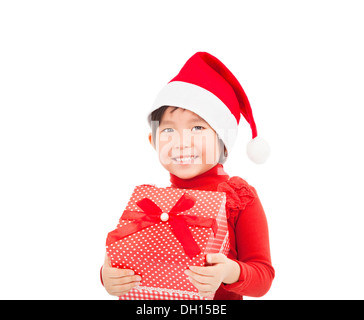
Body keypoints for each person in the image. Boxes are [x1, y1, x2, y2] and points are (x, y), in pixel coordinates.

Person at [101, 52, 274, 299]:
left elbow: (263, 278)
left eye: (197, 127)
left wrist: (229, 272)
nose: (182, 142)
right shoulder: (150, 205)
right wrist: (108, 276)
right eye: (169, 129)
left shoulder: (238, 198)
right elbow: (134, 260)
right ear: (153, 142)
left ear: (224, 142)